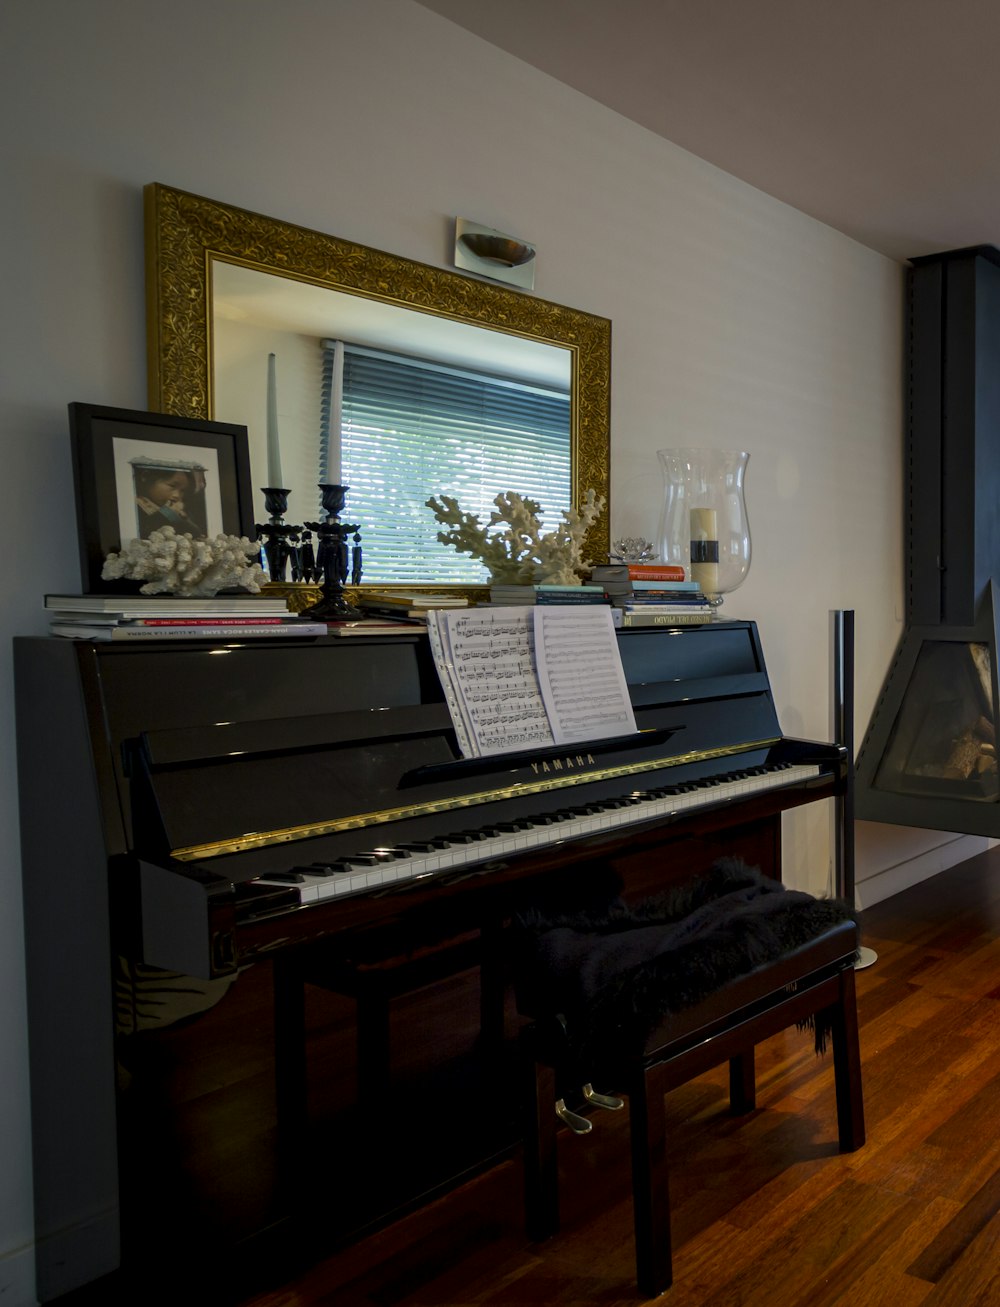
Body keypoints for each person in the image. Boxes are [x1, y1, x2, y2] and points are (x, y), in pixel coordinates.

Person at [132, 460, 209, 538]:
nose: (177, 496)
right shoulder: (136, 506)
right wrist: (167, 513)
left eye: (182, 490)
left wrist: (183, 518)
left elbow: (196, 534)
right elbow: (144, 532)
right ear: (145, 476)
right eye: (172, 485)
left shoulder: (178, 511)